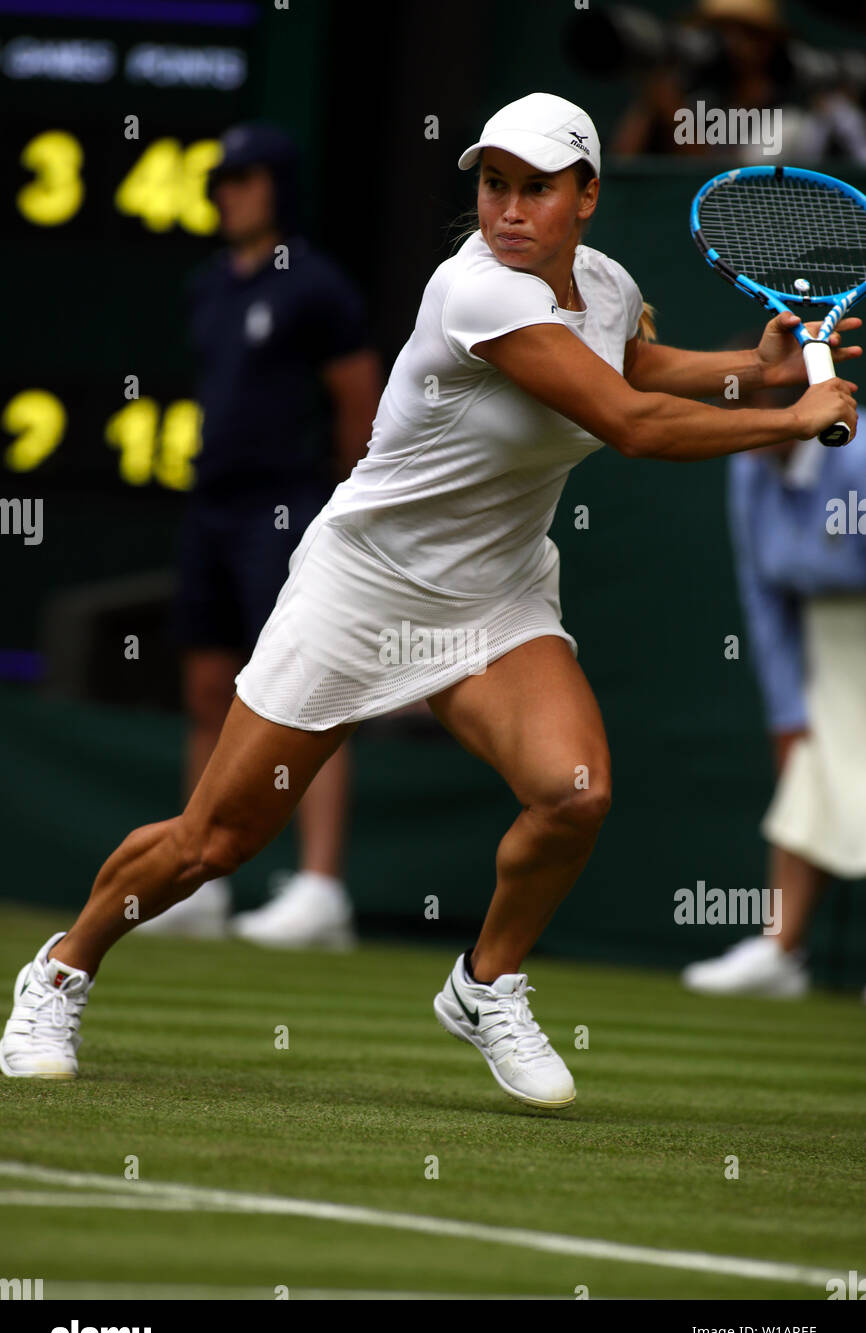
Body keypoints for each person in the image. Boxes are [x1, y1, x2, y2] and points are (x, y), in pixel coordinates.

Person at [0, 93, 858, 1109]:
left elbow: (630, 361)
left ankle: (485, 982)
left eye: (534, 187)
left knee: (572, 791)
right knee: (213, 843)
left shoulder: (605, 287)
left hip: (494, 600)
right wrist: (790, 417)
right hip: (362, 590)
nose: (507, 207)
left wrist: (746, 373)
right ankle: (60, 969)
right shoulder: (475, 294)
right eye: (493, 184)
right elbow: (627, 421)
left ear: (585, 197)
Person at [140, 122, 382, 949]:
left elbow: (359, 395)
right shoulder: (206, 288)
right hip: (212, 508)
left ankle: (321, 889)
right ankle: (198, 877)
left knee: (306, 692)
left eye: (241, 180)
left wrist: (344, 504)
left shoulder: (316, 286)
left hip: (290, 508)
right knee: (208, 689)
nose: (226, 194)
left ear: (276, 187)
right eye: (219, 182)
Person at [683, 393, 866, 997]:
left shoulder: (859, 460)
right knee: (807, 772)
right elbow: (761, 597)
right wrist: (788, 714)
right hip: (823, 636)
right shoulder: (749, 466)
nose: (747, 425)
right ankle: (781, 952)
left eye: (760, 409)